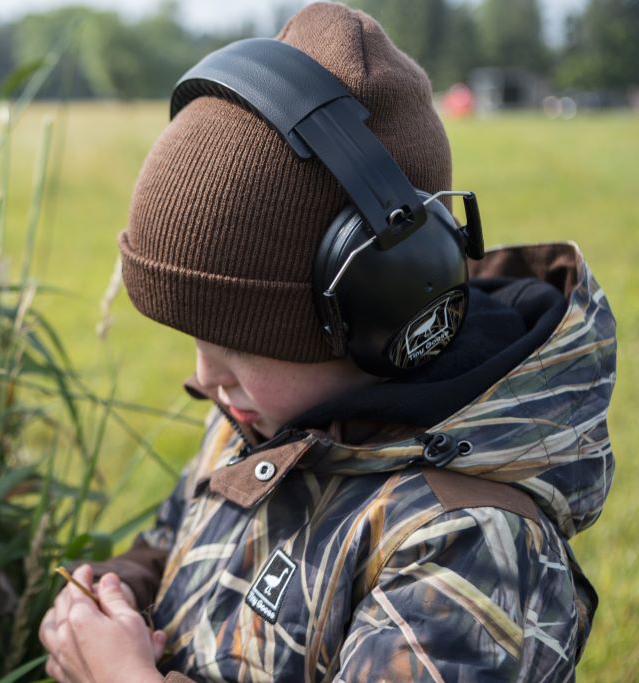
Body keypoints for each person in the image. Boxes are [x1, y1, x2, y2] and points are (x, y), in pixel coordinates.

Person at [38, 3, 615, 681]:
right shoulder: (265, 418)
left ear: (386, 303)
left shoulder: (469, 550)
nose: (203, 377)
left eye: (235, 346)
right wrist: (118, 593)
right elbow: (182, 538)